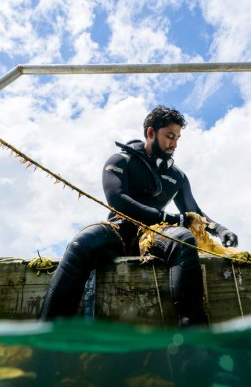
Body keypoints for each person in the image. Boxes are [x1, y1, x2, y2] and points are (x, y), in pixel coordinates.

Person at [39, 105, 238, 326]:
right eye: (169, 136)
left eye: (178, 138)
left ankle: (194, 339)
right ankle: (46, 333)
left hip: (155, 234)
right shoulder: (120, 160)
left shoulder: (178, 177)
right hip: (119, 230)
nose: (174, 144)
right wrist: (171, 218)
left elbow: (194, 214)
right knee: (80, 243)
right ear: (151, 133)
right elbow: (117, 200)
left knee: (183, 239)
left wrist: (221, 230)